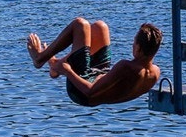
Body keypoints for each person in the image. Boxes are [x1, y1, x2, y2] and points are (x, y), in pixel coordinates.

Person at [27, 17, 162, 107]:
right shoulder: (155, 73)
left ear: (138, 48)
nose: (132, 45)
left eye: (134, 43)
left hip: (81, 93)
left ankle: (40, 59)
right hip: (99, 78)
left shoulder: (126, 66)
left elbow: (90, 92)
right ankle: (54, 65)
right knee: (100, 27)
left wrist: (67, 71)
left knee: (80, 24)